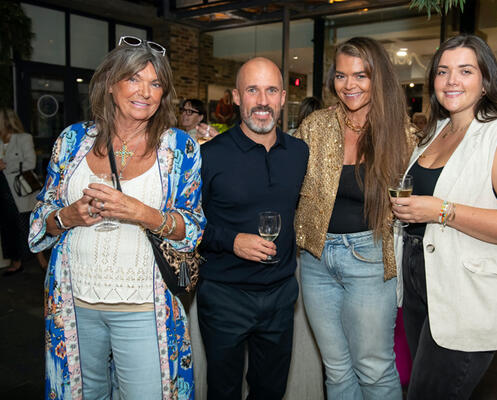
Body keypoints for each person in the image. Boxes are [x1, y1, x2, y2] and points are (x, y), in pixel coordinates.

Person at [28, 36, 205, 399]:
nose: (146, 92)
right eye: (134, 79)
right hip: (74, 304)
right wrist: (68, 216)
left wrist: (143, 213)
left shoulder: (179, 148)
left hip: (145, 304)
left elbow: (194, 228)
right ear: (111, 84)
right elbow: (41, 217)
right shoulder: (72, 141)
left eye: (156, 83)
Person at [390, 34, 497, 399]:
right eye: (443, 71)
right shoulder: (436, 132)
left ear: (485, 80)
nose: (451, 81)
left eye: (465, 70)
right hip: (420, 283)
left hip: (466, 294)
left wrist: (443, 211)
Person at [294, 36, 412, 399]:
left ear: (379, 78)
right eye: (342, 76)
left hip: (371, 259)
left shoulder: (400, 132)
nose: (349, 86)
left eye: (360, 75)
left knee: (373, 368)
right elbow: (285, 170)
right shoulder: (316, 125)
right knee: (337, 369)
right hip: (315, 258)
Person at [196, 57, 309, 399]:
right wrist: (231, 241)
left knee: (270, 391)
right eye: (252, 90)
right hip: (224, 295)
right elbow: (185, 224)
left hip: (280, 295)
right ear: (235, 97)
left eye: (271, 90)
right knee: (224, 391)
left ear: (283, 97)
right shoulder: (208, 156)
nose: (262, 100)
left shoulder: (299, 152)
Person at [0, 108, 47, 275]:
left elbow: (30, 162)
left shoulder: (23, 138)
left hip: (19, 187)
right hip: (3, 185)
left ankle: (40, 259)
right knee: (8, 225)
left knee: (26, 223)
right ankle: (16, 261)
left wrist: (6, 165)